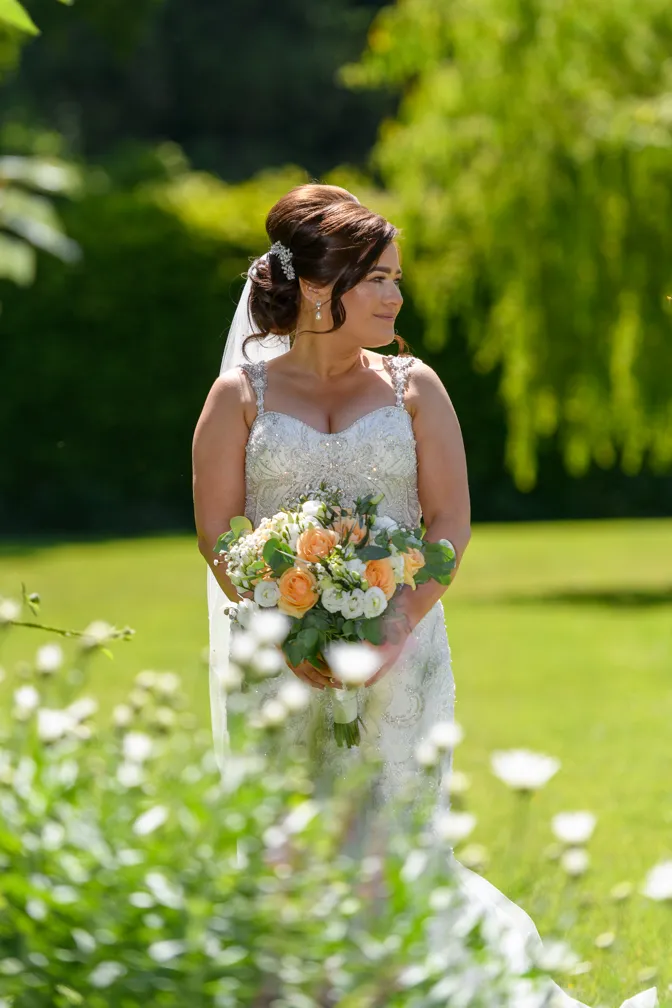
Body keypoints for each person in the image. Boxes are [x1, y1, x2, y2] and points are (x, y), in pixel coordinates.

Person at [192, 184, 656, 1008]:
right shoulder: (239, 399)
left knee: (395, 845)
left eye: (396, 277)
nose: (396, 295)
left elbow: (448, 526)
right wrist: (285, 627)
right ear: (315, 285)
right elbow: (220, 539)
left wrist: (394, 625)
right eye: (377, 278)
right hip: (274, 667)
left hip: (403, 660)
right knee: (288, 845)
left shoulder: (415, 389)